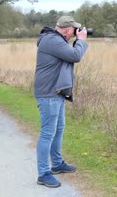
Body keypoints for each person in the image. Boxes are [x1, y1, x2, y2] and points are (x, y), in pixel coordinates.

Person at [33, 15, 88, 188]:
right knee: (48, 132)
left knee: (58, 129)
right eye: (74, 30)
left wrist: (77, 40)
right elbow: (75, 55)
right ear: (67, 29)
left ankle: (56, 163)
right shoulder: (52, 41)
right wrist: (81, 40)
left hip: (56, 92)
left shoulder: (56, 40)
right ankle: (43, 174)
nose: (75, 32)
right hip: (48, 94)